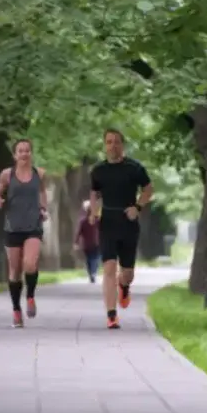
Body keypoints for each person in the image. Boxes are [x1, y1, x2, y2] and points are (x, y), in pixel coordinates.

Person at [89, 128, 153, 329]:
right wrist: (93, 212)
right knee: (108, 268)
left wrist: (138, 207)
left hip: (128, 223)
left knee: (127, 273)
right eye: (109, 142)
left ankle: (124, 286)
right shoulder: (98, 170)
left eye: (116, 142)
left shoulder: (134, 168)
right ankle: (111, 315)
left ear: (122, 144)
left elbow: (148, 188)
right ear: (104, 145)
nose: (112, 145)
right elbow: (95, 193)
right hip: (107, 222)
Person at [0, 139, 48, 328]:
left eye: (27, 151)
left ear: (31, 153)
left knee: (30, 263)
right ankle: (16, 310)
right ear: (15, 155)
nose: (24, 154)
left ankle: (30, 297)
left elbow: (42, 193)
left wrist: (44, 208)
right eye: (20, 151)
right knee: (15, 271)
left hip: (33, 226)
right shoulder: (7, 175)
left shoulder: (39, 174)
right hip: (13, 227)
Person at [75, 200, 101, 283]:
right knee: (93, 259)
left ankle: (92, 273)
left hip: (91, 244)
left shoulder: (95, 220)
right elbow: (79, 232)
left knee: (92, 259)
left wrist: (76, 242)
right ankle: (92, 273)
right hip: (92, 243)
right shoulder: (91, 221)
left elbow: (79, 233)